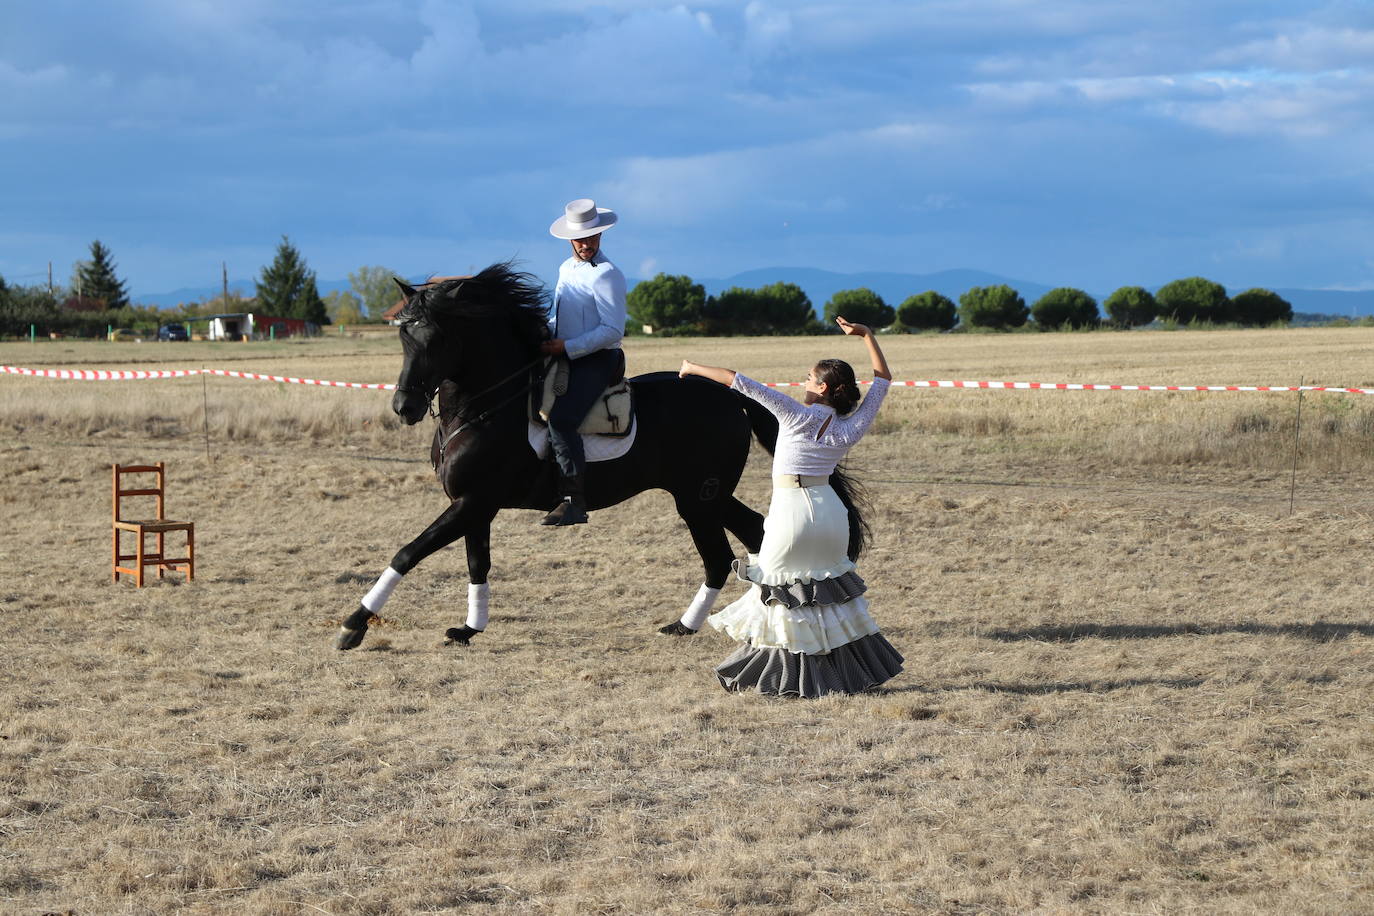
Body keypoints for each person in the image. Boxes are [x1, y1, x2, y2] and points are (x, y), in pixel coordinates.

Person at [678, 317, 903, 697]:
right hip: (832, 514)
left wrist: (691, 367)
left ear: (823, 388)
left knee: (778, 594)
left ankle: (780, 677)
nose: (804, 382)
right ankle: (845, 673)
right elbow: (883, 380)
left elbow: (739, 381)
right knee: (827, 596)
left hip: (792, 513)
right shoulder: (853, 424)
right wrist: (866, 335)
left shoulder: (795, 414)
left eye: (809, 378)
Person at [540, 199, 628, 526]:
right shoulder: (566, 269)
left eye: (593, 237)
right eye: (581, 239)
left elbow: (612, 331)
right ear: (570, 240)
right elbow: (559, 315)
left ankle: (574, 500)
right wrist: (544, 333)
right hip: (564, 351)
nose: (587, 244)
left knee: (561, 420)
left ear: (601, 236)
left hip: (599, 360)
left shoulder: (608, 275)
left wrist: (566, 347)